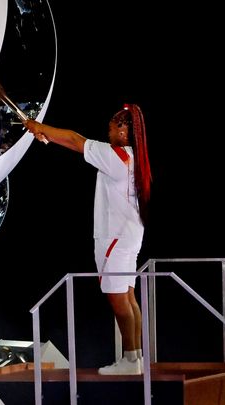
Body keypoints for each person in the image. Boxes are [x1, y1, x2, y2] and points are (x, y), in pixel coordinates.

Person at [24, 104, 152, 375]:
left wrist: (40, 127)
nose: (108, 130)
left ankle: (130, 361)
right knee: (128, 297)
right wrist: (48, 136)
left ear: (124, 131)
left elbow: (75, 140)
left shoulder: (117, 155)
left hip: (115, 236)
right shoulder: (131, 157)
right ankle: (135, 358)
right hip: (129, 234)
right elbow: (72, 143)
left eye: (112, 126)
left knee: (119, 300)